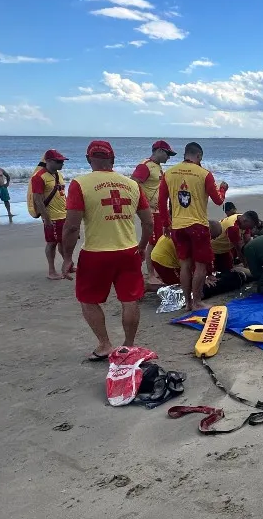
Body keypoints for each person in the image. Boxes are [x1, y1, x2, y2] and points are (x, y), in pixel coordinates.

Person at [61, 140, 153, 360]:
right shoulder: (131, 185)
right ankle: (129, 345)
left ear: (88, 159)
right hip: (128, 250)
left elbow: (72, 226)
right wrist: (141, 247)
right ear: (112, 160)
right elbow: (149, 222)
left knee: (88, 299)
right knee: (129, 300)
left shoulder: (80, 184)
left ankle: (104, 344)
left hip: (96, 253)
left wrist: (66, 257)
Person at [157, 141, 229, 311]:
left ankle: (188, 303)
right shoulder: (204, 174)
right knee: (201, 265)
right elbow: (218, 200)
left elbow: (161, 202)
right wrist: (223, 189)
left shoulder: (169, 173)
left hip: (178, 225)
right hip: (197, 225)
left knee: (185, 265)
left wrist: (166, 224)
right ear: (199, 156)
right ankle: (196, 301)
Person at [130, 140, 176, 286]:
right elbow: (133, 183)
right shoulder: (146, 166)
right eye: (167, 154)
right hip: (149, 210)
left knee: (158, 240)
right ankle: (150, 274)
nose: (169, 157)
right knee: (153, 242)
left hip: (157, 210)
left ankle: (155, 271)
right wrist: (144, 203)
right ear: (159, 151)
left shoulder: (157, 167)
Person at [30, 149, 72, 280]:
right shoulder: (39, 177)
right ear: (48, 161)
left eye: (62, 161)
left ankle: (68, 265)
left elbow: (62, 195)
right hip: (52, 217)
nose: (61, 164)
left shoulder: (59, 175)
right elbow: (38, 199)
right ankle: (51, 270)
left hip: (64, 214)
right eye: (58, 161)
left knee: (64, 242)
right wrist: (46, 218)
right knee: (52, 243)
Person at [211, 202, 243, 272]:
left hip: (222, 248)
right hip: (219, 248)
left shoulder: (231, 221)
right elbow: (238, 246)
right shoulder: (240, 217)